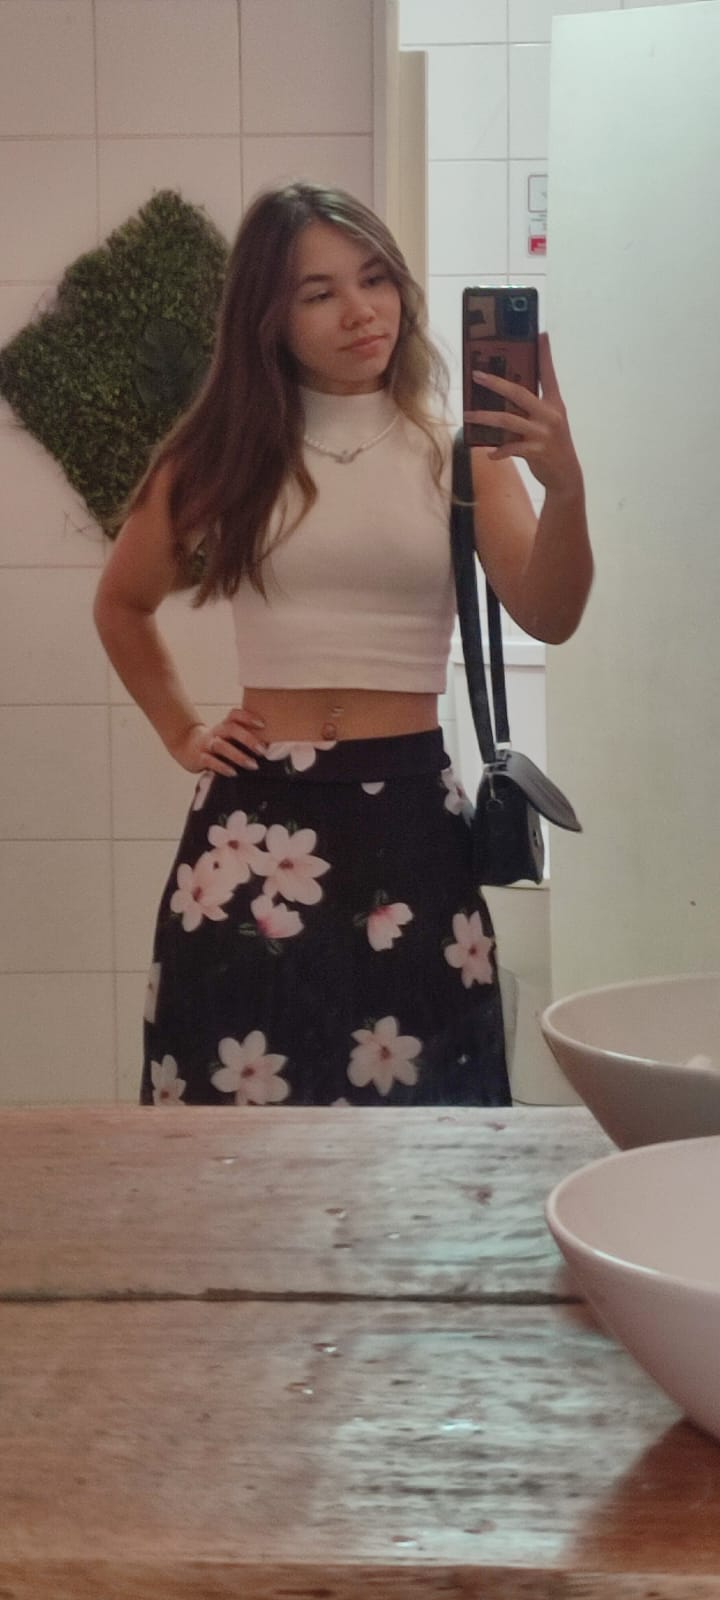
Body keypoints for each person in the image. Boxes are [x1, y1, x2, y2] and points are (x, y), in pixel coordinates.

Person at [93, 181, 592, 1109]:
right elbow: (122, 604)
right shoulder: (221, 458)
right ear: (268, 319)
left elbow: (551, 613)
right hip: (250, 820)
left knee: (426, 1117)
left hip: (410, 816)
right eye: (318, 293)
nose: (361, 311)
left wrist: (564, 491)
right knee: (229, 1109)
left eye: (375, 279)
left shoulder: (459, 453)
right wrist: (182, 731)